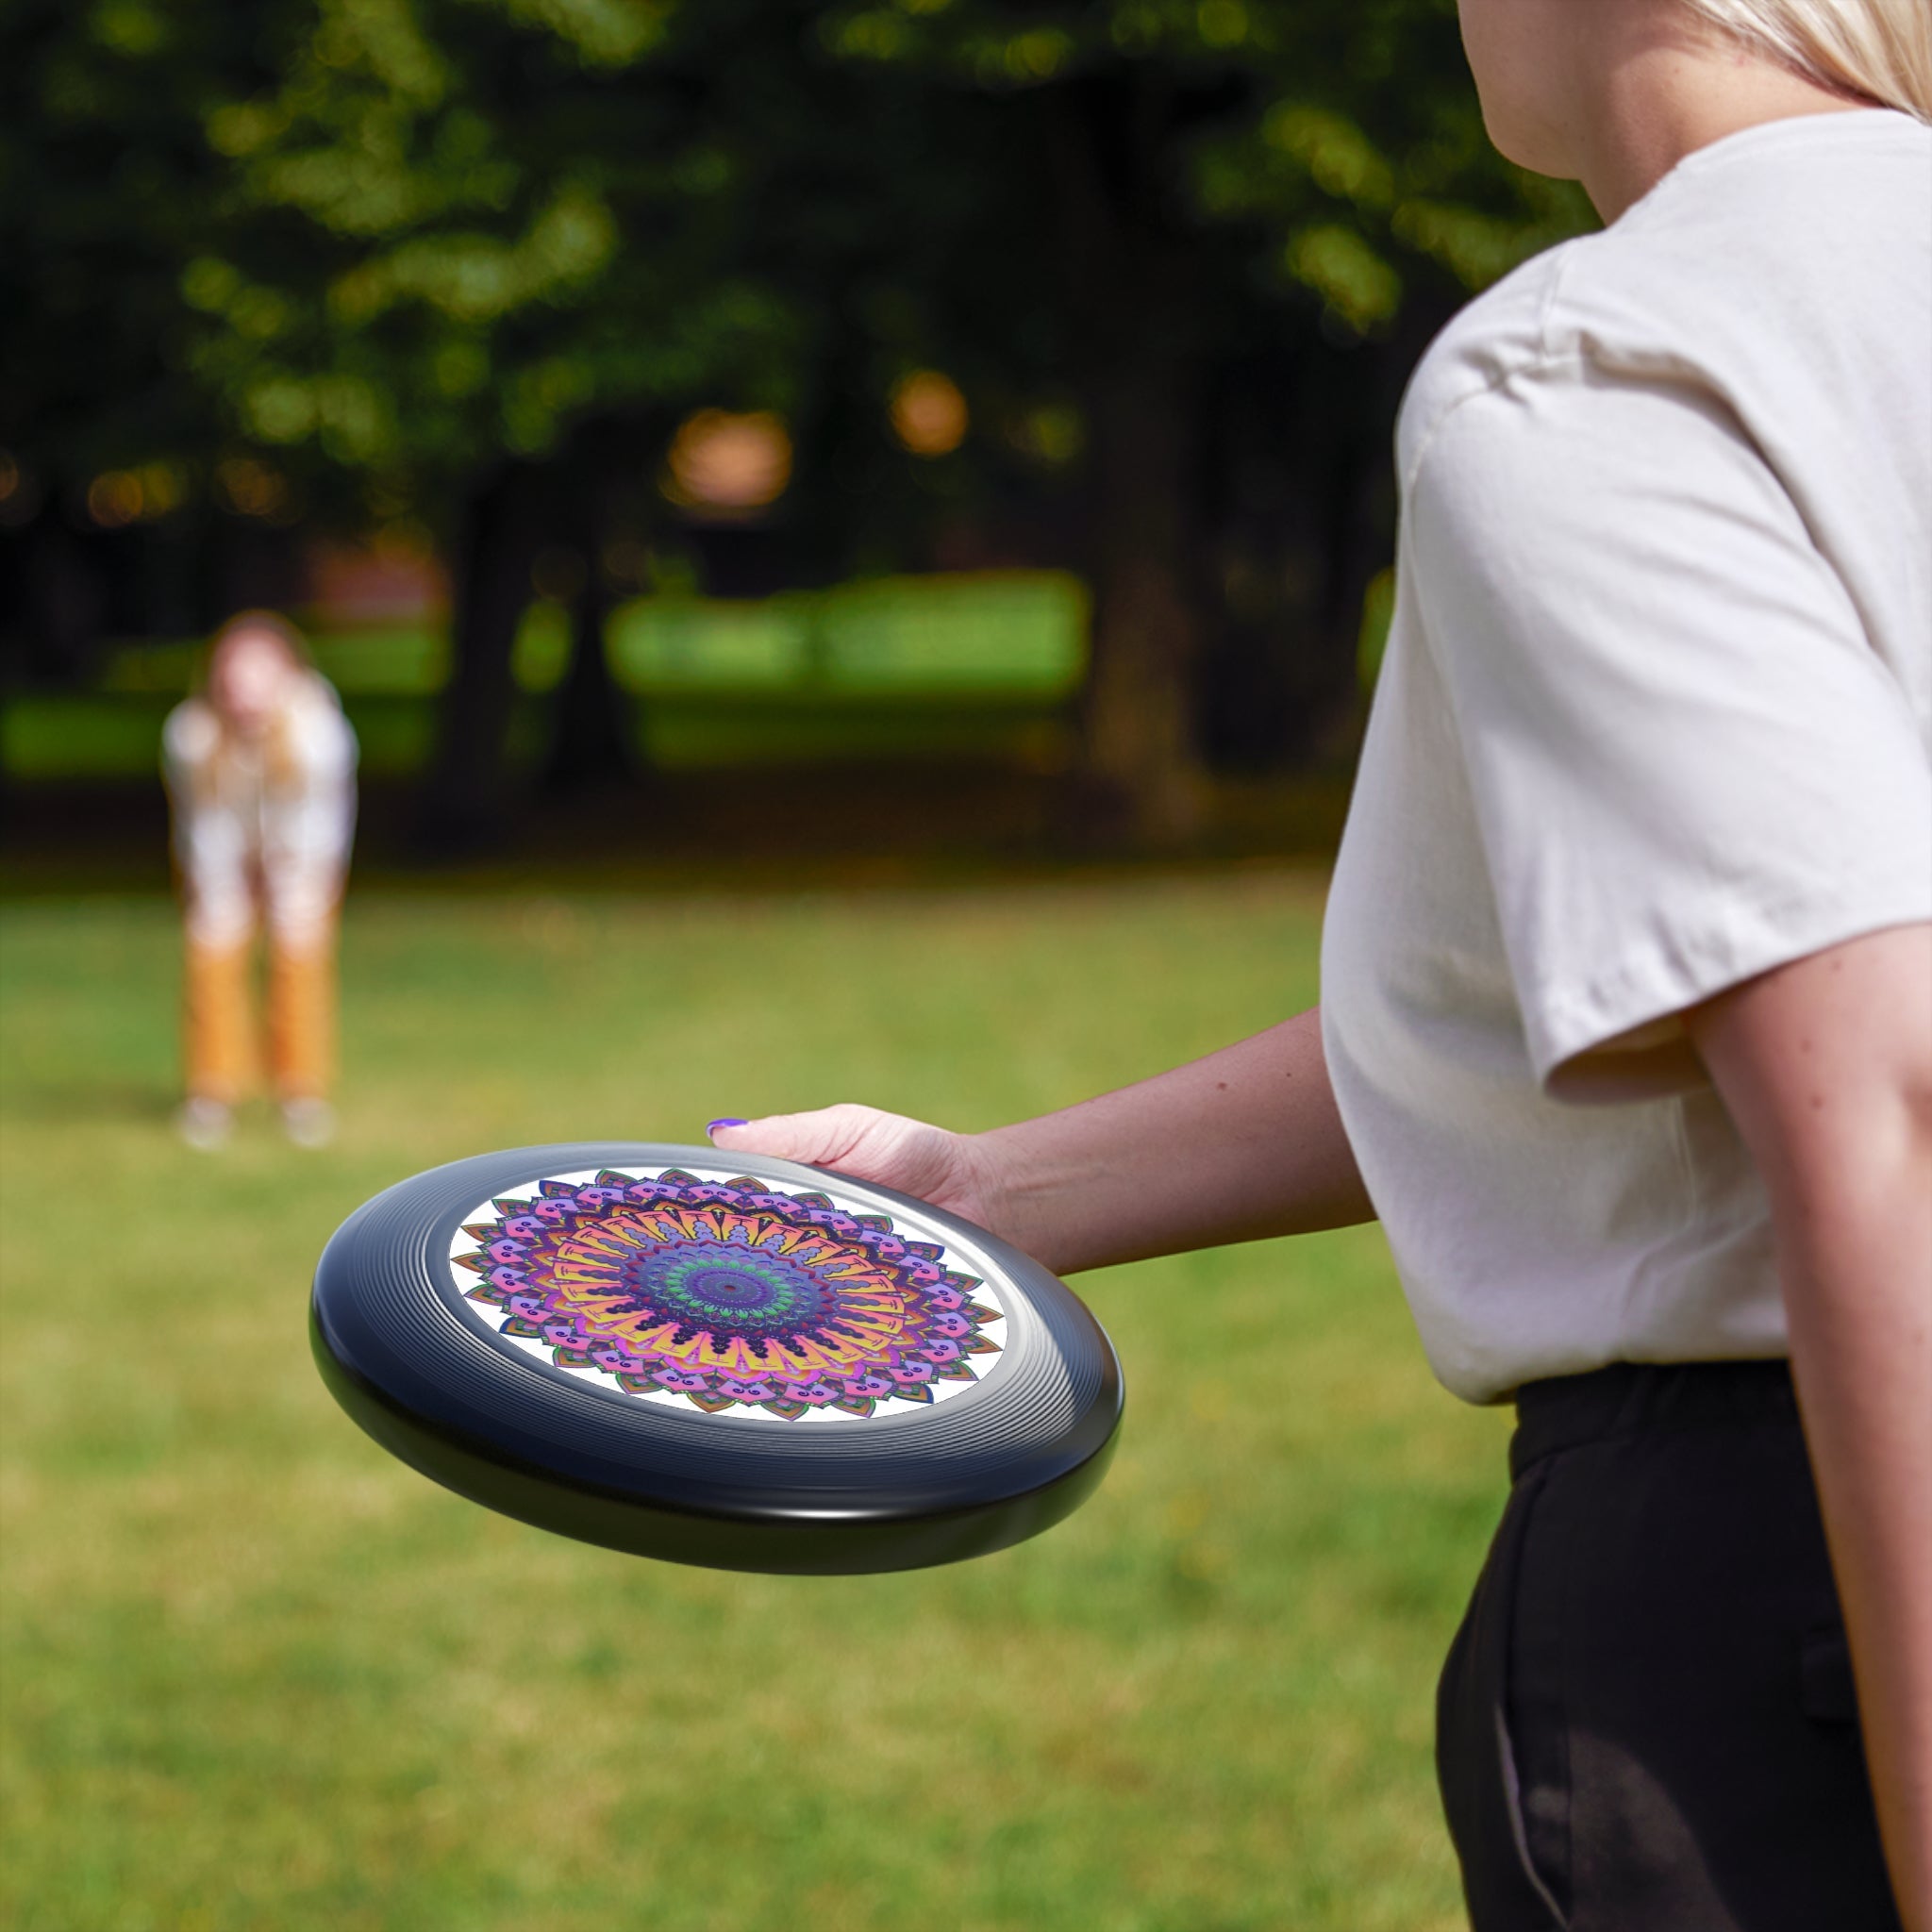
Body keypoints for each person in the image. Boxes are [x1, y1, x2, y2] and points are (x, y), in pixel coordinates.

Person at [704, 2, 1932, 1925]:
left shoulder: (1609, 362)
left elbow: (1885, 1100)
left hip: (1793, 1593)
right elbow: (1623, 991)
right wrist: (987, 1191)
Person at [162, 611, 358, 1150]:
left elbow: (318, 824)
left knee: (299, 958)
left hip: (302, 858)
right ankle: (212, 1091)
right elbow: (204, 823)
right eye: (234, 675)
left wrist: (287, 881)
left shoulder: (319, 733)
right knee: (212, 952)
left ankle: (301, 1092)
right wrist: (224, 888)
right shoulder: (191, 735)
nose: (244, 690)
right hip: (221, 856)